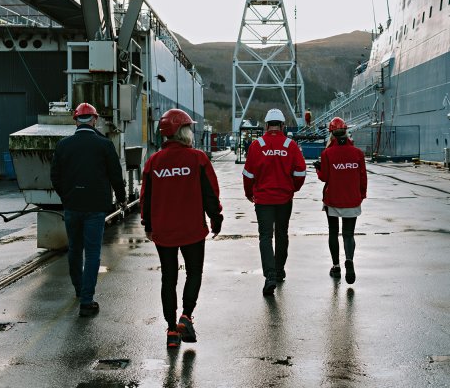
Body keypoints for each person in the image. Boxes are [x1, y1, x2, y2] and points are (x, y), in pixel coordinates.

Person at [140, 108, 223, 348]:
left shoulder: (154, 162)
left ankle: (171, 331)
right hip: (192, 229)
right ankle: (186, 316)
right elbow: (210, 193)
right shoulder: (197, 158)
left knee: (169, 277)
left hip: (164, 230)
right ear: (181, 131)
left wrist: (148, 224)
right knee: (194, 272)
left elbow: (147, 197)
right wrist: (216, 218)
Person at [50, 102, 126, 316]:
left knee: (75, 249)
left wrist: (67, 196)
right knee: (92, 253)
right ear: (94, 120)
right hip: (95, 207)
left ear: (75, 120)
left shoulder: (63, 145)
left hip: (72, 206)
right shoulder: (104, 144)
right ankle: (87, 299)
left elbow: (55, 177)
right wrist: (121, 199)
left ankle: (78, 289)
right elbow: (116, 176)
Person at [242, 108, 306, 296]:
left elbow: (248, 175)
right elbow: (300, 173)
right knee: (282, 234)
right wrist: (292, 188)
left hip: (263, 200)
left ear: (266, 125)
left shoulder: (257, 145)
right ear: (283, 126)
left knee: (265, 236)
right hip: (284, 199)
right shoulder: (290, 145)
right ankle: (279, 271)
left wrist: (249, 193)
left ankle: (269, 275)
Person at [314, 117, 367, 284]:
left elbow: (324, 177)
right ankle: (349, 260)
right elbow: (362, 177)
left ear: (331, 135)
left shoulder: (327, 153)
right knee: (348, 234)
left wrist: (318, 168)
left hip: (333, 199)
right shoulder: (358, 153)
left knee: (333, 232)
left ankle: (336, 267)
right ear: (346, 132)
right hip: (352, 198)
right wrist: (361, 195)